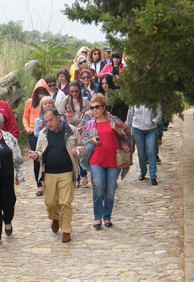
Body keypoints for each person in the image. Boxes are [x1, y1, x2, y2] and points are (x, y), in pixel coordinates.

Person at [28, 108, 84, 243]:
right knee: (50, 203)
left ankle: (66, 230)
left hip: (67, 172)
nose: (49, 123)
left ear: (58, 117)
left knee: (65, 203)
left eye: (51, 120)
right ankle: (55, 217)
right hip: (49, 173)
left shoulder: (71, 130)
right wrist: (36, 156)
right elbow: (40, 152)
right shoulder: (43, 133)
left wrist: (78, 150)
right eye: (46, 121)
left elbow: (81, 146)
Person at [80, 94, 131, 229]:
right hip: (96, 159)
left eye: (97, 107)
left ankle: (107, 216)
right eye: (91, 108)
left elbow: (126, 134)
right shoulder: (90, 125)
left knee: (110, 189)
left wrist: (117, 130)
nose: (94, 110)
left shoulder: (113, 121)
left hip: (113, 160)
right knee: (98, 186)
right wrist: (91, 140)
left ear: (104, 107)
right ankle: (97, 217)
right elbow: (83, 139)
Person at [0, 111, 24, 246]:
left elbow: (17, 157)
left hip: (7, 176)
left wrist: (19, 175)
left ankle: (7, 220)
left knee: (9, 202)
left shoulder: (9, 138)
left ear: (1, 126)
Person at [59, 81, 90, 186]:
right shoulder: (67, 100)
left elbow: (88, 117)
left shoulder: (85, 101)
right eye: (72, 91)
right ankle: (76, 177)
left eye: (76, 91)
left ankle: (83, 174)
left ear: (80, 91)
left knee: (81, 152)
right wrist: (65, 120)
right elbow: (59, 112)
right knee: (73, 153)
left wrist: (75, 120)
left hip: (82, 129)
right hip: (70, 130)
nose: (74, 93)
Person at [23, 79, 50, 196]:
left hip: (47, 132)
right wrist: (27, 128)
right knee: (36, 159)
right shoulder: (30, 102)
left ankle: (47, 183)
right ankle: (39, 185)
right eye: (39, 92)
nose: (41, 95)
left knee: (48, 158)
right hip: (33, 134)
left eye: (43, 92)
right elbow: (25, 117)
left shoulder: (48, 103)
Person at [127, 104, 162, 185]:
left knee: (151, 152)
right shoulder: (134, 99)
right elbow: (130, 114)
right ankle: (143, 172)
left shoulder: (154, 99)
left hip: (151, 129)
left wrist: (154, 121)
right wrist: (128, 127)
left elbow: (159, 113)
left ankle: (153, 176)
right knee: (141, 152)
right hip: (137, 129)